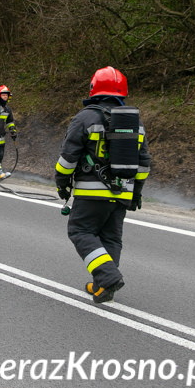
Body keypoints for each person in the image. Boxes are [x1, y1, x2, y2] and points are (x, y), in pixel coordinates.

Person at [55, 66, 151, 304]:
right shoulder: (135, 122)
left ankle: (107, 276)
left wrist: (62, 182)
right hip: (123, 191)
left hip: (90, 192)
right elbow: (144, 163)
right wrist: (136, 193)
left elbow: (68, 158)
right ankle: (102, 286)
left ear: (94, 89)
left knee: (80, 231)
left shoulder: (85, 117)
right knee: (111, 238)